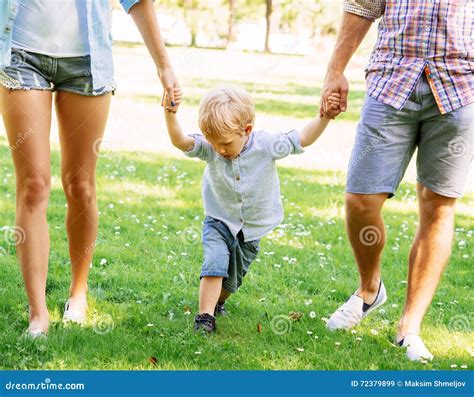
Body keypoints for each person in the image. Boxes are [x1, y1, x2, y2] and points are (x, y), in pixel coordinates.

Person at [0, 0, 181, 338]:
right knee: (34, 185)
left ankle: (78, 293)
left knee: (80, 184)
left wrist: (164, 66)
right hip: (20, 53)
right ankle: (38, 314)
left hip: (88, 61)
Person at [320, 0, 473, 361]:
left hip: (460, 87)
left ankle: (409, 327)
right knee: (360, 200)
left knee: (438, 206)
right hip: (392, 80)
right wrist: (335, 71)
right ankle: (370, 288)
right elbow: (363, 5)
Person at [163, 85, 341, 332]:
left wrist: (324, 118)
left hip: (252, 228)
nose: (220, 150)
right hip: (219, 220)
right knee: (215, 262)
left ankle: (218, 303)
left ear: (247, 131)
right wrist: (170, 114)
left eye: (225, 144)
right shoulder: (212, 148)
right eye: (214, 144)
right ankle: (204, 317)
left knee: (232, 279)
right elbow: (181, 141)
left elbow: (301, 139)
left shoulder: (266, 145)